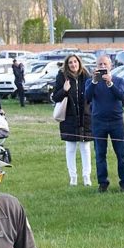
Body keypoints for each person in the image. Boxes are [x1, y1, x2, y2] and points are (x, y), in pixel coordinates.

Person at [84, 54, 124, 193]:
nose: (102, 67)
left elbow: (122, 96)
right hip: (99, 121)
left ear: (111, 66)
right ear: (96, 67)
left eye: (105, 64)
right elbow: (87, 97)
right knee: (100, 154)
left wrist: (110, 84)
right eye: (100, 65)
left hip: (116, 121)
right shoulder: (91, 82)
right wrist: (94, 82)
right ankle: (103, 183)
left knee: (121, 153)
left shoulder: (119, 80)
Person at [51, 54, 93, 186]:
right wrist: (64, 90)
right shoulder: (62, 77)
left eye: (75, 62)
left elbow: (92, 95)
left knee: (85, 148)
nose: (73, 65)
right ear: (67, 65)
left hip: (85, 118)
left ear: (79, 63)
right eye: (70, 63)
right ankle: (73, 177)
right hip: (69, 118)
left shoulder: (86, 76)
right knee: (70, 149)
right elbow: (55, 97)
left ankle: (87, 177)